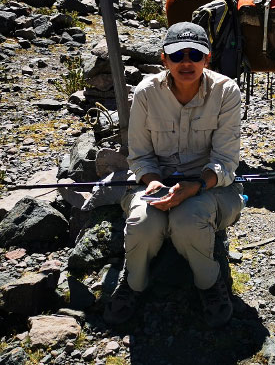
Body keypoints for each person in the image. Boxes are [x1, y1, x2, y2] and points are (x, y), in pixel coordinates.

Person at [103, 22, 244, 327]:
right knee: (141, 222)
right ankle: (133, 284)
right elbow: (139, 156)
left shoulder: (226, 92)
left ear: (207, 59)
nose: (186, 61)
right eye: (177, 54)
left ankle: (210, 285)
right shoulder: (145, 93)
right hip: (155, 182)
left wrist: (193, 186)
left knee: (187, 221)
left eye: (195, 54)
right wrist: (152, 181)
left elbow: (225, 161)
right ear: (163, 59)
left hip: (210, 186)